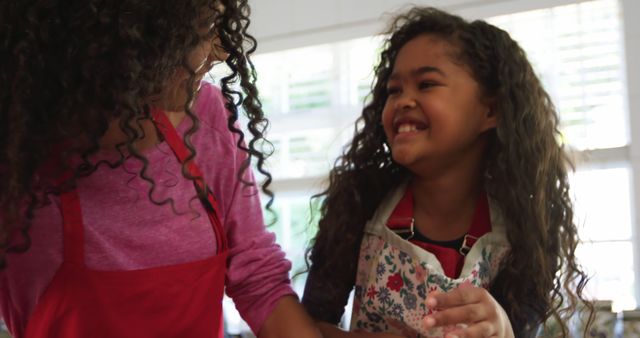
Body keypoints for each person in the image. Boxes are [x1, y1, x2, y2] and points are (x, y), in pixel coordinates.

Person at [0, 1, 321, 338]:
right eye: (206, 30)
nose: (223, 52)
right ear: (128, 47)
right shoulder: (16, 151)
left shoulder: (209, 117)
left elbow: (259, 278)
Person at [303, 6, 592, 338]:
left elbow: (519, 329)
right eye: (394, 89)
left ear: (490, 111)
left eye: (426, 84)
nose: (403, 100)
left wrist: (501, 326)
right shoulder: (359, 200)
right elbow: (306, 326)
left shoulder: (529, 225)